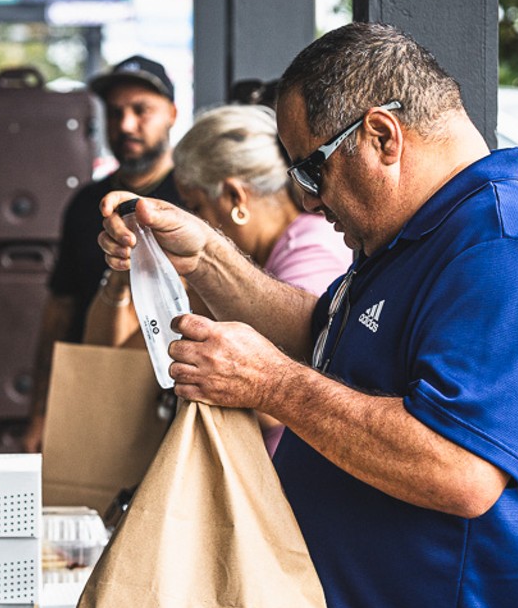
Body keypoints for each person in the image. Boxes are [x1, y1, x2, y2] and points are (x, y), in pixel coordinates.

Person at [96, 22, 518, 608]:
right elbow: (322, 334)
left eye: (311, 170)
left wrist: (268, 381)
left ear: (383, 138)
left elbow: (457, 468)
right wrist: (204, 257)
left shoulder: (503, 253)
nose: (305, 201)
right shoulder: (412, 237)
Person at [83, 103, 352, 456]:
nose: (195, 222)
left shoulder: (310, 252)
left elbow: (281, 407)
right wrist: (127, 274)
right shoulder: (240, 268)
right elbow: (121, 360)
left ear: (234, 198)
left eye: (196, 207)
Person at [22, 54, 180, 453]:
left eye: (141, 110)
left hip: (170, 401)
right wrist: (41, 411)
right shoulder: (86, 204)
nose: (126, 125)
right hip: (89, 393)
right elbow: (60, 311)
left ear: (173, 114)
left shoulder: (194, 200)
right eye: (115, 113)